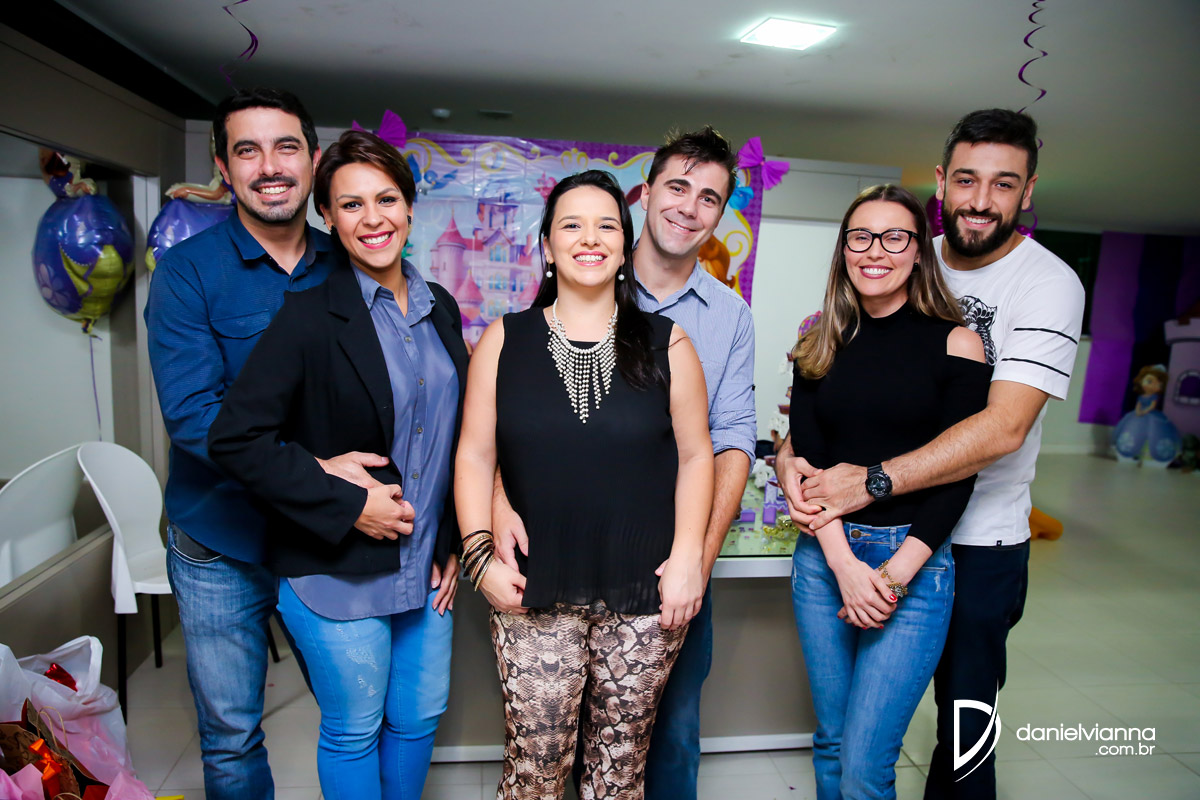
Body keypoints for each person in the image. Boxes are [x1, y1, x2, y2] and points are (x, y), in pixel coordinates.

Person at [777, 109, 1086, 799]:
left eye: (1003, 183)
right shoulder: (901, 252)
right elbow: (829, 414)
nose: (981, 200)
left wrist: (871, 486)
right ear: (942, 182)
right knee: (843, 739)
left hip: (976, 539)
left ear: (1028, 191)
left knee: (964, 733)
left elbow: (1000, 431)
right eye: (968, 179)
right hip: (851, 539)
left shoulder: (1048, 282)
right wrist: (793, 459)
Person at [491, 127, 757, 800]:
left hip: (660, 569)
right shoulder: (579, 275)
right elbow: (516, 414)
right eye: (677, 187)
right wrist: (495, 504)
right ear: (646, 193)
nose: (689, 207)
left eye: (709, 197)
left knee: (661, 742)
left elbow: (724, 442)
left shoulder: (728, 317)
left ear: (720, 213)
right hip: (554, 564)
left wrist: (695, 557)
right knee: (543, 751)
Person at [206, 129, 468, 799]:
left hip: (425, 565)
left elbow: (452, 440)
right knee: (355, 728)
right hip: (334, 567)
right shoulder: (307, 318)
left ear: (410, 207)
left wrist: (455, 538)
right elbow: (235, 439)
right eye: (351, 205)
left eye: (386, 199)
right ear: (327, 216)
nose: (372, 219)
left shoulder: (441, 308)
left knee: (417, 720)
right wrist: (348, 501)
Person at [454, 169, 713, 799]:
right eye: (572, 225)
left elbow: (697, 456)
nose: (590, 239)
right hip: (531, 588)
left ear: (625, 246)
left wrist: (688, 557)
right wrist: (480, 557)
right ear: (547, 245)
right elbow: (474, 455)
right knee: (535, 768)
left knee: (618, 774)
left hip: (645, 592)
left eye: (606, 226)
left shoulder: (669, 344)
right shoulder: (503, 341)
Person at [145, 87, 340, 800]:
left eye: (286, 147)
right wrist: (322, 472)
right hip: (221, 541)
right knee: (231, 737)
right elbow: (195, 417)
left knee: (358, 715)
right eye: (247, 151)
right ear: (224, 168)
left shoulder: (350, 263)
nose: (270, 166)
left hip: (329, 539)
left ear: (313, 160)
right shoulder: (187, 273)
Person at [789, 184, 990, 799]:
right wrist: (844, 566)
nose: (876, 250)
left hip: (913, 562)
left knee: (865, 763)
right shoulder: (819, 339)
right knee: (831, 741)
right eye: (861, 236)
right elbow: (808, 463)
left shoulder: (957, 342)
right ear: (844, 249)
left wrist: (892, 577)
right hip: (824, 559)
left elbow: (958, 474)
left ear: (918, 250)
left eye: (894, 236)